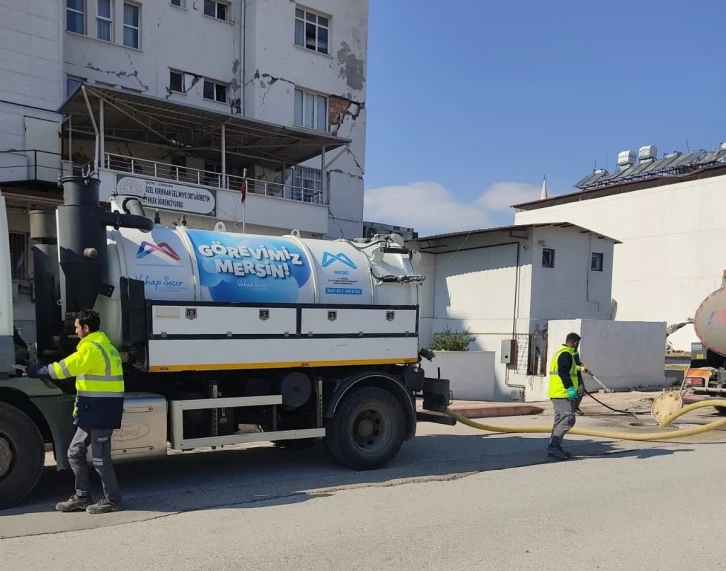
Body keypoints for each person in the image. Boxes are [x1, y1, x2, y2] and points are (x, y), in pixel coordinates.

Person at [25, 310, 124, 514]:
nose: (75, 331)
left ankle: (113, 500)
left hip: (100, 412)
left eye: (77, 327)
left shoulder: (93, 349)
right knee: (74, 452)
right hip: (93, 410)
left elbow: (62, 369)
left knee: (100, 459)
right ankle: (82, 497)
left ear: (86, 328)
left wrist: (34, 371)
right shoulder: (105, 347)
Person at [547, 332, 589, 460]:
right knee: (568, 419)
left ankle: (553, 447)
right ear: (576, 343)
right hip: (562, 393)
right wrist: (570, 388)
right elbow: (563, 372)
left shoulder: (563, 352)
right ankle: (554, 447)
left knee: (560, 420)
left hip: (558, 393)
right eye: (578, 344)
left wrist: (580, 368)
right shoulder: (565, 354)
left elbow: (568, 368)